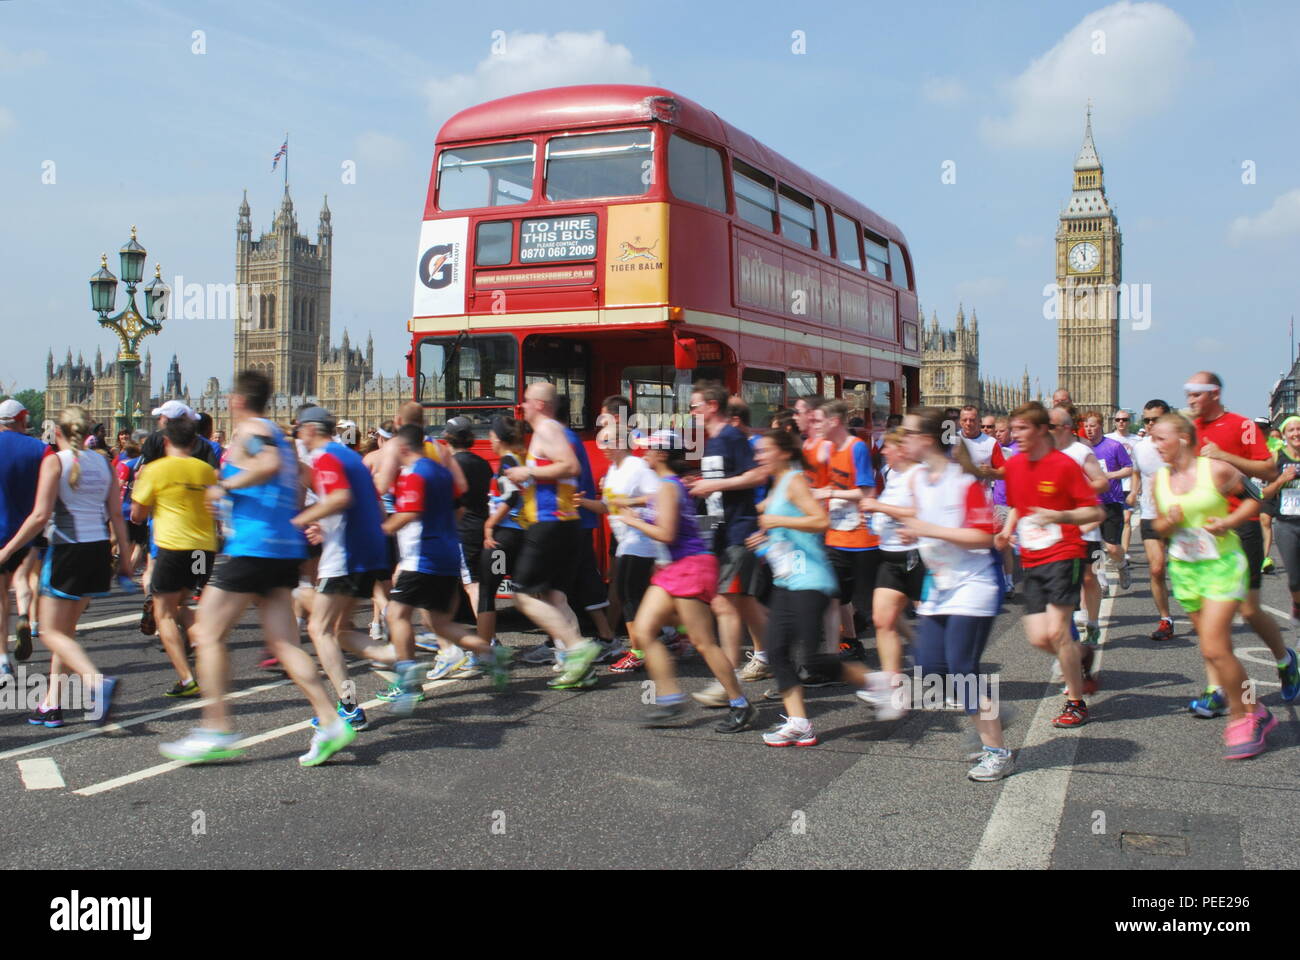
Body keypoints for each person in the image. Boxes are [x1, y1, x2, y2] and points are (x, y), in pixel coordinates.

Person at [159, 371, 350, 767]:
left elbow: (265, 465)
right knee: (284, 644)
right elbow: (295, 475)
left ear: (236, 400)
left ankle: (217, 729)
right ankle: (331, 720)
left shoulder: (252, 431)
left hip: (253, 547)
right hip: (282, 548)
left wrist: (225, 488)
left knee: (205, 633)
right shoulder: (282, 434)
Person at [1150, 412, 1277, 758]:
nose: (1154, 444)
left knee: (1217, 647)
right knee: (1213, 652)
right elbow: (1159, 526)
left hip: (1222, 565)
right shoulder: (1159, 479)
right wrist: (1169, 522)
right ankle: (1258, 709)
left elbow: (1255, 496)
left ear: (1183, 438)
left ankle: (1244, 717)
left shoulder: (1215, 469)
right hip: (1187, 571)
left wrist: (1230, 520)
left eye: (1161, 438)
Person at [0, 405, 132, 727]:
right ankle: (52, 704)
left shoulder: (56, 462)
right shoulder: (103, 462)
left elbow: (40, 516)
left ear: (56, 432)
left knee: (49, 631)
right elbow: (116, 516)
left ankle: (95, 682)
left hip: (67, 552)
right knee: (66, 633)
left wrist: (7, 551)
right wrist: (126, 560)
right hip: (97, 550)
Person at [621, 430, 756, 733]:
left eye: (650, 449)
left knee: (703, 642)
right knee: (643, 631)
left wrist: (633, 521)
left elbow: (667, 534)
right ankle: (670, 699)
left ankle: (740, 704)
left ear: (663, 455)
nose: (644, 453)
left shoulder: (669, 488)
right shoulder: (666, 487)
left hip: (691, 566)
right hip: (676, 568)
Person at [900, 408, 1010, 780]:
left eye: (909, 433)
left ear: (927, 439)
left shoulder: (961, 482)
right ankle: (992, 713)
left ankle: (997, 751)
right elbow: (919, 519)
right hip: (941, 586)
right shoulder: (916, 477)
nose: (903, 440)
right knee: (930, 669)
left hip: (974, 586)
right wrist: (911, 533)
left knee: (963, 670)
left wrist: (926, 528)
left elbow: (983, 536)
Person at [377, 424, 511, 710]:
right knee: (439, 623)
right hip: (448, 554)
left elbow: (410, 512)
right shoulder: (441, 471)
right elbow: (459, 508)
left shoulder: (414, 473)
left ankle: (407, 678)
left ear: (402, 448)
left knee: (397, 615)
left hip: (421, 556)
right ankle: (489, 652)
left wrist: (381, 530)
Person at [1185, 371, 1299, 709]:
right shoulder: (1187, 429)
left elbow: (1268, 470)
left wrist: (1225, 456)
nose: (1190, 399)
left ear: (1215, 393)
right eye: (1187, 394)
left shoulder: (1241, 425)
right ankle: (1216, 690)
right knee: (1206, 612)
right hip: (1201, 528)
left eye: (1196, 393)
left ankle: (1285, 660)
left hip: (1240, 523)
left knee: (1247, 609)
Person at [995, 402, 1103, 728]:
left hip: (1065, 553)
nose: (1016, 436)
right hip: (1032, 558)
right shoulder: (1014, 467)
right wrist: (1005, 530)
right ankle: (1082, 654)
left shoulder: (1064, 465)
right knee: (1040, 639)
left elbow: (1095, 513)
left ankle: (1076, 701)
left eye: (1022, 429)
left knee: (1057, 632)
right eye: (1013, 430)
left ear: (1042, 430)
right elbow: (1018, 505)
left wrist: (1061, 516)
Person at [290, 406, 390, 730]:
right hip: (365, 550)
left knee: (319, 630)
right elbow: (372, 505)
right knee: (339, 631)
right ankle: (400, 665)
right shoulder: (351, 457)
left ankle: (349, 707)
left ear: (310, 429)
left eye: (298, 429)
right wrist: (327, 526)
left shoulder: (328, 456)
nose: (297, 435)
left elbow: (340, 498)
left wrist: (301, 519)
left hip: (346, 555)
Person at [502, 381, 601, 689]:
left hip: (551, 522)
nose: (522, 406)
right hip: (561, 521)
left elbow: (569, 467)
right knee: (555, 596)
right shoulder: (547, 432)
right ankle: (580, 667)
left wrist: (527, 473)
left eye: (527, 401)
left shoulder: (547, 430)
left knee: (522, 595)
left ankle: (576, 647)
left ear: (541, 405)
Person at [742, 429, 835, 746]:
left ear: (782, 452)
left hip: (809, 579)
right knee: (777, 650)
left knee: (814, 659)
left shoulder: (795, 480)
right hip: (787, 580)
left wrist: (778, 523)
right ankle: (799, 723)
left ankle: (876, 683)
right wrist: (763, 538)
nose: (759, 456)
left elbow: (820, 521)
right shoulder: (778, 483)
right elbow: (779, 524)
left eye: (764, 450)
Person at [686, 381, 771, 705]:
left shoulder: (733, 437)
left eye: (694, 406)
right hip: (722, 531)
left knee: (726, 603)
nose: (691, 412)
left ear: (711, 406)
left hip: (739, 530)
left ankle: (727, 680)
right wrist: (699, 485)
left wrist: (715, 484)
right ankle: (777, 660)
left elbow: (757, 475)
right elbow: (720, 487)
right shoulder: (714, 441)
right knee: (746, 604)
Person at [130, 416, 218, 698]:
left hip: (173, 547)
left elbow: (137, 515)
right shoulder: (206, 471)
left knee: (163, 612)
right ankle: (210, 657)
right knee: (183, 603)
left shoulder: (154, 470)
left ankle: (187, 679)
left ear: (165, 441)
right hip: (203, 550)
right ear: (194, 443)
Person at [581, 418, 662, 674]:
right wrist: (581, 502)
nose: (601, 447)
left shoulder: (636, 466)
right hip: (625, 539)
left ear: (619, 442)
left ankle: (640, 651)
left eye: (605, 442)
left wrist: (631, 502)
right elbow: (607, 507)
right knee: (631, 595)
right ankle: (659, 640)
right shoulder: (614, 470)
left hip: (642, 540)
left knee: (630, 596)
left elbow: (658, 496)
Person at [858, 427, 922, 718]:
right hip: (889, 555)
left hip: (917, 556)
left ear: (903, 449)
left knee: (935, 621)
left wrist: (878, 506)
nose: (883, 451)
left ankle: (949, 674)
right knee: (882, 621)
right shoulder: (891, 473)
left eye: (888, 447)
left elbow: (919, 512)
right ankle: (892, 688)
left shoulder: (918, 475)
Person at [809, 399, 878, 663]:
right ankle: (839, 649)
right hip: (835, 534)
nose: (815, 426)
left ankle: (850, 643)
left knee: (878, 613)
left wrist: (829, 492)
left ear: (834, 421)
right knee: (833, 596)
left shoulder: (856, 448)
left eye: (819, 420)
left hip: (861, 538)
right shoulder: (827, 450)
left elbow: (866, 491)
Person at [1051, 407, 1110, 648]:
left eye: (1050, 426)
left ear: (1065, 428)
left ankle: (1093, 622)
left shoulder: (1081, 451)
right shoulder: (1043, 452)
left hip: (1087, 524)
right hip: (1057, 527)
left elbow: (1102, 482)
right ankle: (1068, 636)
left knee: (1089, 576)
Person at [472, 417, 528, 662]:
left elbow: (512, 497)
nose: (489, 439)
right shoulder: (519, 459)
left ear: (499, 438)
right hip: (520, 534)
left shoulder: (507, 461)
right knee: (531, 594)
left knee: (487, 591)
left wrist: (489, 524)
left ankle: (485, 651)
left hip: (502, 538)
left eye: (491, 435)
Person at [0, 398, 48, 679]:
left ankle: (3, 661)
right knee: (23, 579)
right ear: (22, 418)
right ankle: (25, 616)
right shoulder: (40, 449)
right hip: (30, 530)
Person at [1131, 400, 1176, 640]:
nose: (1150, 424)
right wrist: (1133, 490)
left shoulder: (1183, 444)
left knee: (1183, 571)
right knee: (1157, 568)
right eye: (1146, 420)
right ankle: (1165, 619)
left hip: (1181, 518)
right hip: (1150, 514)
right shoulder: (1140, 447)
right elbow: (1138, 471)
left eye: (1155, 420)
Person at [1080, 411, 1134, 589]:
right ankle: (1101, 583)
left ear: (1101, 426)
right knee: (1095, 548)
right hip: (1090, 504)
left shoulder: (1113, 446)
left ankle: (1122, 564)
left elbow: (1128, 469)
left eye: (1093, 426)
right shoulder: (1082, 449)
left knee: (1111, 547)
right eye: (1086, 426)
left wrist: (1110, 475)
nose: (1089, 430)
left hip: (1112, 501)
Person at [1261, 416, 1300, 620]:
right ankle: (1297, 603)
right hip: (1286, 524)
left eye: (1299, 429)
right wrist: (1282, 480)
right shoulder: (1277, 457)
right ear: (1284, 435)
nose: (1296, 433)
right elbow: (1265, 493)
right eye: (1291, 430)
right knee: (1294, 581)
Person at [1107, 410, 1139, 559]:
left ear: (1129, 421)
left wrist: (1138, 487)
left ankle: (1124, 554)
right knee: (1114, 521)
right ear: (1114, 421)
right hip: (1112, 487)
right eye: (1118, 419)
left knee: (1126, 519)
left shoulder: (1137, 440)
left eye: (1124, 420)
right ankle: (1115, 549)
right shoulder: (1107, 439)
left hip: (1129, 485)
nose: (1121, 422)